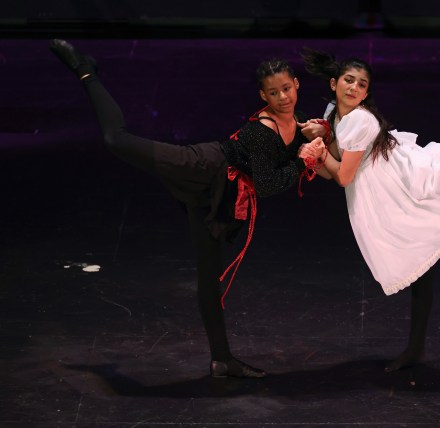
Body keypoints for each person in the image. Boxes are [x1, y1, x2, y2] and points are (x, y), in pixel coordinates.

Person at [49, 39, 322, 378]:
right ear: (263, 97)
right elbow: (267, 184)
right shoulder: (263, 131)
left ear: (296, 85)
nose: (283, 97)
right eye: (274, 92)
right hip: (202, 167)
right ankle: (85, 69)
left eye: (286, 88)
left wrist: (311, 135)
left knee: (210, 279)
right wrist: (302, 160)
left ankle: (221, 360)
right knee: (115, 139)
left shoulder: (295, 120)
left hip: (219, 198)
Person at [298, 39, 440, 372]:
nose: (354, 87)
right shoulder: (334, 114)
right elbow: (335, 168)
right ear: (334, 84)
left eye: (362, 84)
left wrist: (317, 152)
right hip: (389, 194)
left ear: (366, 94)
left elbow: (343, 177)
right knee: (421, 270)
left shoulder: (360, 121)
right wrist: (318, 149)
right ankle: (415, 349)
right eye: (349, 80)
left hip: (408, 181)